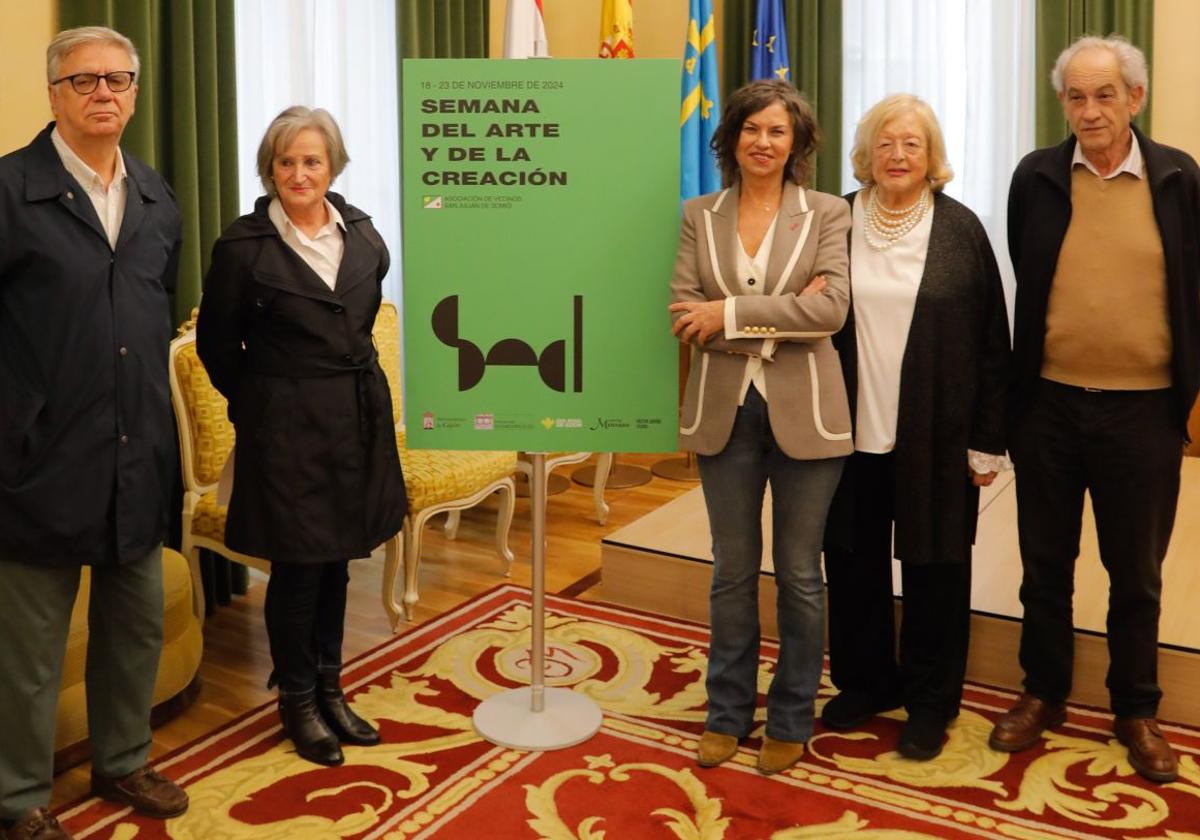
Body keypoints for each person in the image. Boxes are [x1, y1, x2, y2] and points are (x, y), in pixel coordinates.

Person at [989, 35, 1200, 785]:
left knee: (1135, 573)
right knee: (1045, 565)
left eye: (1104, 95)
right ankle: (1042, 693)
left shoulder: (1178, 178)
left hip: (1143, 414)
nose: (1089, 110)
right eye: (1075, 97)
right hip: (1048, 405)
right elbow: (1028, 275)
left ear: (1134, 99)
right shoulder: (1036, 177)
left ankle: (1135, 710)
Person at [0, 26, 189, 840]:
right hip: (37, 460)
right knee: (29, 652)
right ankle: (15, 800)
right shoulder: (9, 193)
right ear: (54, 95)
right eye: (84, 82)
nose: (103, 93)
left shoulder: (156, 198)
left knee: (134, 624)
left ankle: (123, 761)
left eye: (118, 79)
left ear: (135, 93)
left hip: (137, 452)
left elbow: (152, 317)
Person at [196, 107, 408, 768]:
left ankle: (330, 687)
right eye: (285, 162)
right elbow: (216, 345)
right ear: (270, 169)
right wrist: (265, 402)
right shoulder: (242, 247)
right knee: (296, 567)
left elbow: (363, 318)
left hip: (354, 416)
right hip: (284, 425)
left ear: (332, 166)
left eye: (311, 161)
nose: (298, 173)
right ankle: (296, 703)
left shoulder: (366, 235)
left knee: (337, 557)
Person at [668, 79, 851, 776]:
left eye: (777, 131)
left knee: (801, 574)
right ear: (732, 139)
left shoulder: (828, 212)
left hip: (808, 415)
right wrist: (782, 316)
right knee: (731, 571)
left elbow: (832, 310)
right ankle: (725, 714)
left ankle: (792, 716)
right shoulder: (699, 214)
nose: (763, 142)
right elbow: (686, 314)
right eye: (752, 129)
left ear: (797, 142)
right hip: (724, 413)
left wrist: (734, 316)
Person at [820, 94, 1010, 760]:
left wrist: (988, 439)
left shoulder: (960, 229)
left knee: (936, 567)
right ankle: (866, 682)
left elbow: (993, 340)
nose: (898, 155)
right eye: (885, 143)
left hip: (938, 434)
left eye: (912, 144)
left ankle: (931, 701)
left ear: (932, 157)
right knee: (849, 562)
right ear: (867, 154)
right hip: (845, 432)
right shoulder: (835, 219)